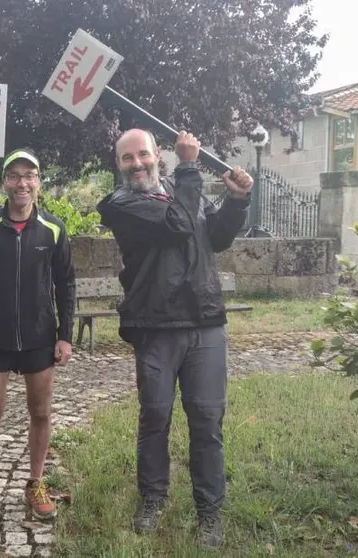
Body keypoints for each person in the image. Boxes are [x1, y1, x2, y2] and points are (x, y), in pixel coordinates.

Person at [96, 129, 253, 547]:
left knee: (207, 422)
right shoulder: (120, 204)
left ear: (156, 156)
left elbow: (214, 236)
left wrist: (237, 202)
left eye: (142, 155)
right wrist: (189, 167)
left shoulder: (181, 190)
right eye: (127, 158)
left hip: (204, 323)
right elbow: (178, 225)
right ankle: (152, 498)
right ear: (119, 165)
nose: (137, 164)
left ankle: (210, 513)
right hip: (155, 326)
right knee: (155, 417)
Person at [0, 147, 76, 522]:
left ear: (38, 183)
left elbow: (66, 283)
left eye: (30, 176)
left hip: (40, 337)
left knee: (40, 412)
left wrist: (65, 335)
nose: (22, 183)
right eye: (15, 176)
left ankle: (36, 482)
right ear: (4, 182)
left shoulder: (54, 229)